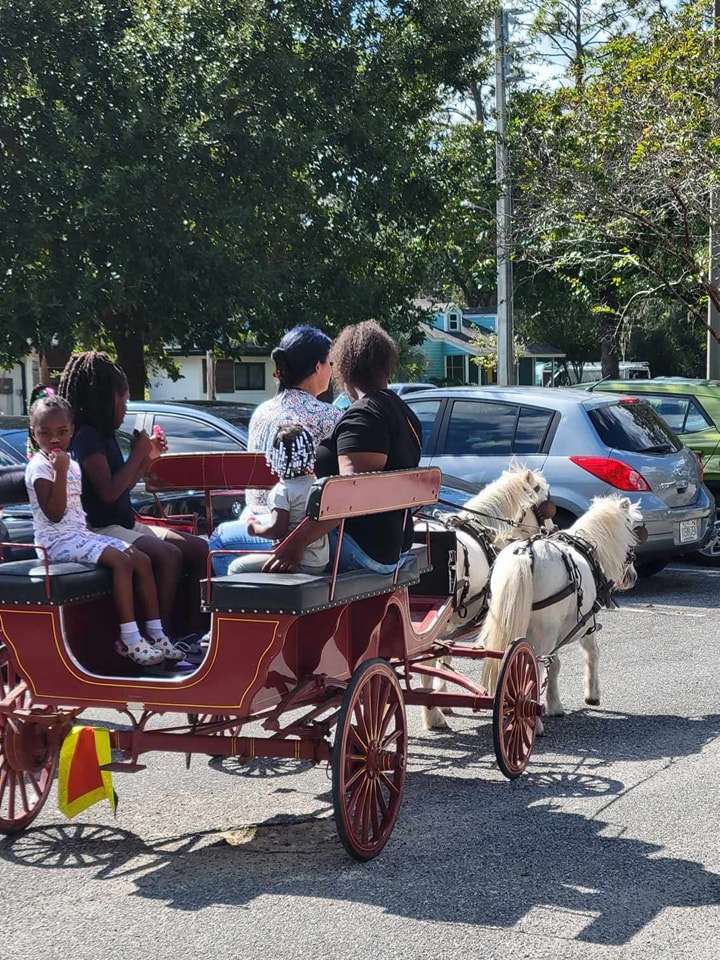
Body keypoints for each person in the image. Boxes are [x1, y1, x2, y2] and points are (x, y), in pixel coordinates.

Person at [58, 352, 209, 661]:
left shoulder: (105, 434)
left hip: (124, 523)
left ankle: (191, 633)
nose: (126, 410)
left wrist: (147, 457)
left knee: (199, 549)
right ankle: (160, 635)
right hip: (101, 528)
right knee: (168, 556)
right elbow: (109, 492)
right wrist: (137, 454)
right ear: (105, 399)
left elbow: (124, 485)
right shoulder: (87, 437)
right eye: (123, 402)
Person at [25, 386, 182, 667]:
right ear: (33, 432)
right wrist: (59, 472)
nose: (54, 439)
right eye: (45, 433)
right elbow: (55, 514)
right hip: (55, 542)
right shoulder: (41, 466)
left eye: (62, 431)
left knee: (141, 559)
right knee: (122, 561)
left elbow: (76, 510)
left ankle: (156, 633)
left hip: (78, 535)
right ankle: (129, 637)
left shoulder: (70, 464)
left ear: (71, 429)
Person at [263, 320, 422, 575]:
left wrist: (295, 545)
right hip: (392, 547)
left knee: (226, 541)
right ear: (386, 366)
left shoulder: (363, 417)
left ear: (344, 369)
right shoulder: (405, 414)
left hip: (362, 551)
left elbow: (349, 495)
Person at [208, 325, 342, 574]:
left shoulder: (261, 413)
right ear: (317, 367)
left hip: (263, 520)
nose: (332, 371)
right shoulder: (330, 416)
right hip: (307, 530)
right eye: (330, 364)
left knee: (218, 540)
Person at [227, 423, 328, 576]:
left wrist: (254, 528)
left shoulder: (282, 491)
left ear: (274, 456)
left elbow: (277, 530)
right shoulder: (316, 483)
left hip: (296, 561)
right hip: (319, 561)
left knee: (236, 567)